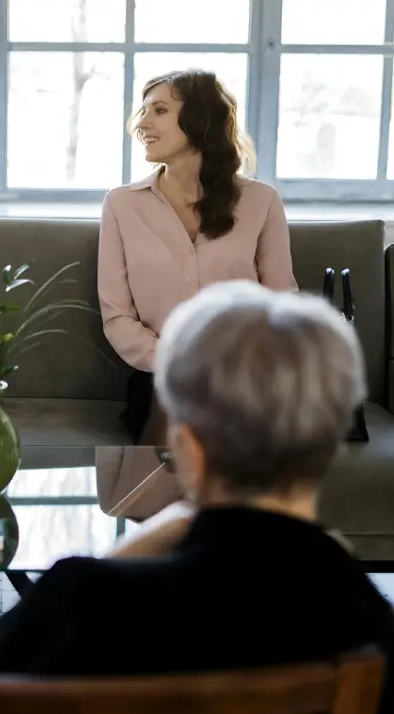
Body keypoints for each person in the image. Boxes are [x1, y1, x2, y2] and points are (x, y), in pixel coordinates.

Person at [0, 281, 394, 714]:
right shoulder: (368, 626)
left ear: (189, 449)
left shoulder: (79, 603)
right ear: (330, 445)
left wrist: (125, 551)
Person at [98, 69, 298, 446]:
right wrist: (178, 362)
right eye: (142, 112)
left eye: (158, 111)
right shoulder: (121, 205)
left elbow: (282, 306)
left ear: (201, 119)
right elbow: (117, 317)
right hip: (161, 378)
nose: (142, 124)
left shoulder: (262, 201)